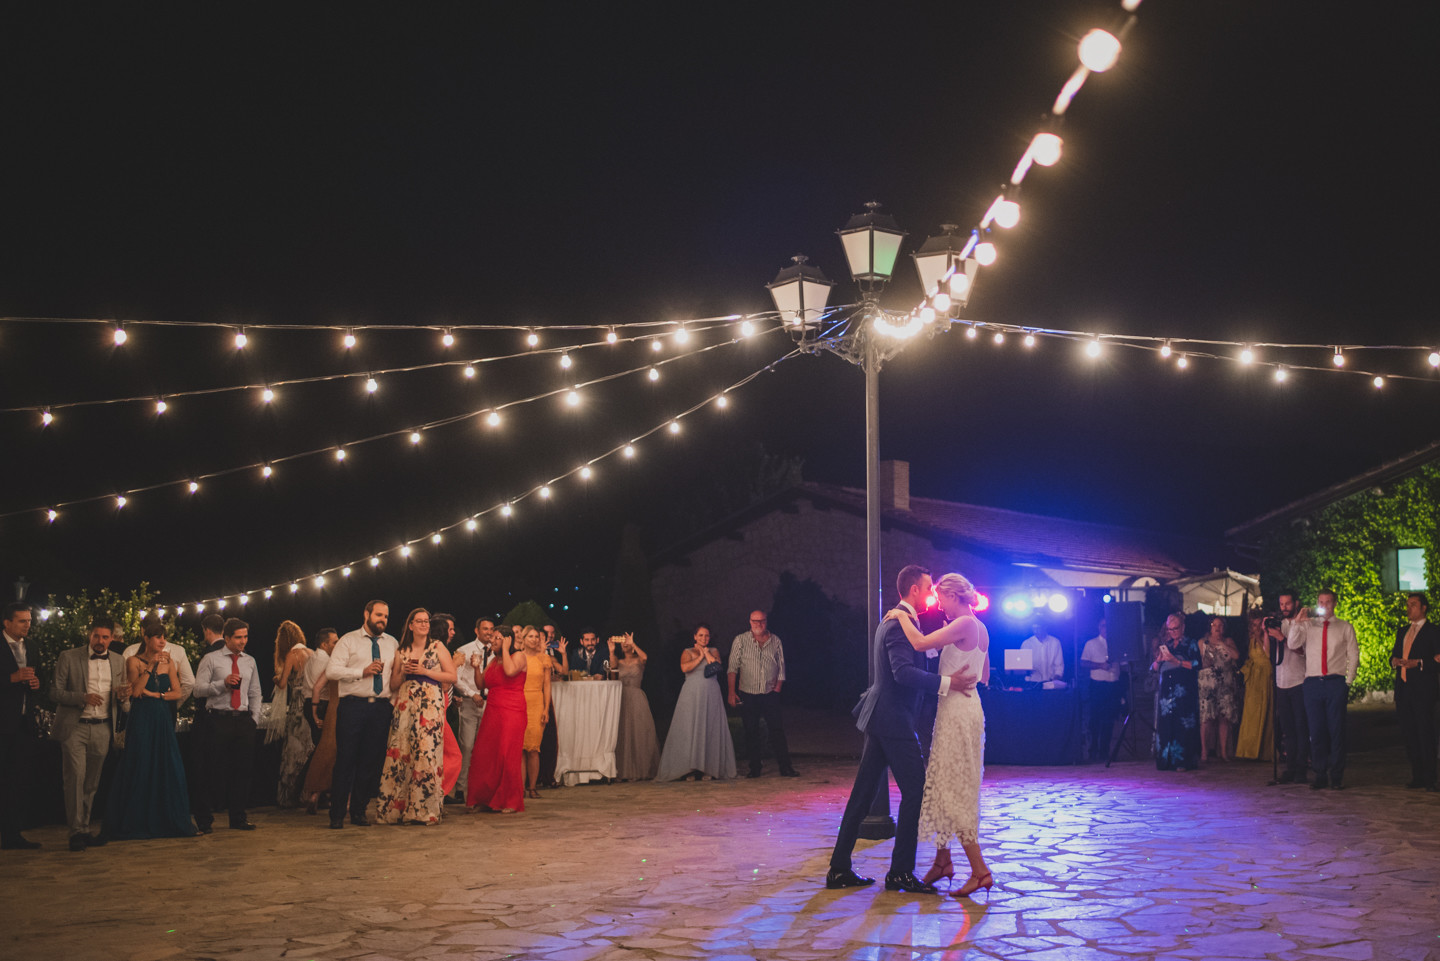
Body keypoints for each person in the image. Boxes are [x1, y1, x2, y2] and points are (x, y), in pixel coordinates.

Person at [827, 565, 978, 894]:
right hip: (893, 719)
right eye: (927, 589)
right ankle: (900, 872)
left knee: (863, 795)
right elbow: (903, 674)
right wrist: (948, 683)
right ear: (914, 591)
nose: (932, 595)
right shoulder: (898, 624)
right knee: (916, 792)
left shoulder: (900, 620)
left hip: (883, 717)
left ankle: (839, 868)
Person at [886, 572, 994, 898]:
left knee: (955, 787)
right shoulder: (980, 628)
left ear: (953, 596)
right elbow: (984, 675)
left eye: (941, 598)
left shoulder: (963, 623)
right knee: (945, 783)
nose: (939, 605)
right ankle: (943, 861)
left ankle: (980, 870)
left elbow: (919, 643)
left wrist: (900, 616)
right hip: (966, 707)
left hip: (958, 712)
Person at [104, 618, 196, 839]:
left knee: (167, 763)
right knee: (141, 762)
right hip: (142, 719)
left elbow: (178, 692)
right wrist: (152, 666)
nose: (163, 641)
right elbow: (135, 692)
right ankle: (136, 820)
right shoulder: (134, 661)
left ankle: (167, 818)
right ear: (146, 639)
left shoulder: (170, 663)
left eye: (164, 637)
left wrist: (157, 695)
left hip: (162, 717)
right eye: (158, 637)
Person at [50, 616, 128, 850]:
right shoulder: (69, 656)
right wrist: (81, 698)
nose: (100, 641)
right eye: (96, 636)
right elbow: (54, 692)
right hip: (75, 726)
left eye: (105, 637)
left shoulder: (118, 660)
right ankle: (75, 832)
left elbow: (122, 698)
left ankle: (84, 828)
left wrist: (124, 696)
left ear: (112, 639)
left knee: (91, 783)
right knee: (75, 777)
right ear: (89, 635)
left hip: (104, 727)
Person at [376, 609, 457, 825]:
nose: (423, 625)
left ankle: (423, 811)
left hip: (430, 705)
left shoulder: (437, 647)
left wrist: (425, 671)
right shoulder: (401, 650)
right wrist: (403, 671)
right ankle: (396, 809)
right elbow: (393, 684)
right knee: (401, 753)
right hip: (405, 704)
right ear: (410, 625)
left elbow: (452, 676)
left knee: (426, 752)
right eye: (419, 621)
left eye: (426, 621)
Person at [326, 600, 398, 829]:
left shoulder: (392, 643)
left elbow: (395, 677)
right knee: (346, 760)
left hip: (380, 707)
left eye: (385, 616)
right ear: (366, 614)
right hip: (353, 706)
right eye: (378, 615)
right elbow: (332, 671)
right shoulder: (348, 640)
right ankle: (337, 814)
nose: (382, 620)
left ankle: (358, 811)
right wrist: (362, 672)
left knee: (370, 762)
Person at [192, 617, 263, 832]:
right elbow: (197, 690)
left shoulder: (249, 661)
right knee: (211, 771)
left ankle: (238, 817)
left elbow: (255, 691)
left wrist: (254, 719)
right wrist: (221, 684)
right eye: (238, 637)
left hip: (242, 721)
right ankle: (205, 820)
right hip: (218, 719)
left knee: (242, 771)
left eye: (245, 637)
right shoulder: (211, 659)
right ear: (226, 637)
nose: (243, 641)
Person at [1286, 589, 1358, 790]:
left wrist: (1347, 682)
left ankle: (1336, 775)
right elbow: (1292, 643)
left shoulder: (1345, 627)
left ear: (1335, 603)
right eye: (1320, 601)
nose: (1324, 605)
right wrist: (1297, 623)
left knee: (1336, 730)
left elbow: (1353, 654)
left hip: (1335, 682)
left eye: (1328, 602)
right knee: (1316, 730)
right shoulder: (1309, 625)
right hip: (1312, 683)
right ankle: (1319, 773)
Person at [657, 625, 737, 781]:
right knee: (689, 727)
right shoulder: (687, 652)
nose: (704, 638)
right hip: (691, 694)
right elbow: (685, 668)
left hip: (711, 693)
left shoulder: (713, 651)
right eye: (700, 635)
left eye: (706, 636)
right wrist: (700, 656)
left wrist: (706, 653)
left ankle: (709, 768)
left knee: (710, 726)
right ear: (695, 637)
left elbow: (716, 667)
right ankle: (690, 769)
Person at [466, 625, 528, 813]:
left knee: (506, 755)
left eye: (498, 638)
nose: (492, 640)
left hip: (512, 710)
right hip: (492, 710)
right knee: (485, 754)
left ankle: (509, 801)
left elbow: (510, 672)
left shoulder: (518, 656)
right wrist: (476, 668)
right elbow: (481, 684)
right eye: (492, 637)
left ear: (508, 640)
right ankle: (485, 798)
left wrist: (507, 649)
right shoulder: (494, 661)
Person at [728, 610, 797, 778]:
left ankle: (785, 767)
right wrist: (731, 692)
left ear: (766, 621)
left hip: (769, 692)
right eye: (755, 621)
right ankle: (755, 768)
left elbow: (781, 666)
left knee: (776, 730)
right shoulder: (741, 640)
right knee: (751, 730)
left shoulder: (775, 641)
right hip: (748, 692)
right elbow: (732, 667)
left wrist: (778, 688)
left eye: (762, 621)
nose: (758, 624)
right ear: (750, 622)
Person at [2, 602, 42, 849]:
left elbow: (41, 680)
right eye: (22, 621)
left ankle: (11, 834)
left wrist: (37, 683)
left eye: (29, 620)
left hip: (23, 724)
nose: (28, 625)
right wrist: (12, 678)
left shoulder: (33, 647)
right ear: (6, 623)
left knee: (16, 781)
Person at [1391, 593, 1439, 790]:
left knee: (1425, 733)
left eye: (1413, 605)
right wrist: (1394, 661)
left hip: (1423, 690)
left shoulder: (1433, 631)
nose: (1409, 608)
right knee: (1409, 734)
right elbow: (1395, 653)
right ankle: (1417, 775)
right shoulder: (1402, 631)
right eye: (1408, 605)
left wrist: (1418, 663)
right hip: (1404, 689)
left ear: (1424, 607)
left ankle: (1430, 778)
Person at [1264, 589, 1309, 783]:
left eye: (1288, 604)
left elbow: (1303, 651)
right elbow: (1268, 654)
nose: (1284, 608)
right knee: (1288, 729)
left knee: (1301, 728)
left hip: (1299, 681)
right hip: (1281, 681)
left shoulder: (1304, 624)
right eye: (1281, 604)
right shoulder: (1278, 623)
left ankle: (1301, 769)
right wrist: (1267, 633)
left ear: (1296, 603)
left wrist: (1282, 637)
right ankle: (1290, 767)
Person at [450, 618, 495, 799]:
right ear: (477, 631)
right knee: (467, 745)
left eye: (491, 629)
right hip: (470, 702)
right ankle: (461, 788)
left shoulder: (496, 652)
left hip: (490, 703)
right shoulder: (465, 650)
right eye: (485, 629)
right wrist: (471, 693)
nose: (489, 632)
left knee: (485, 748)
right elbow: (456, 678)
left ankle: (481, 787)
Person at [1152, 613, 1201, 771]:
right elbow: (1153, 668)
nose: (1172, 632)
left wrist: (1177, 661)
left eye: (1175, 629)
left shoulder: (1190, 644)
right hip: (1167, 691)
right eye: (1170, 629)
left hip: (1184, 691)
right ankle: (1166, 760)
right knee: (1167, 724)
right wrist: (1158, 660)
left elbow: (1196, 664)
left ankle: (1183, 761)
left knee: (1183, 724)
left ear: (1183, 627)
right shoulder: (1166, 644)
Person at [273, 620, 314, 807]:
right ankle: (308, 792)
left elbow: (282, 684)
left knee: (292, 750)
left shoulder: (292, 654)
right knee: (307, 749)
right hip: (310, 702)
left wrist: (277, 678)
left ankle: (290, 796)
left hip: (297, 705)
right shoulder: (311, 653)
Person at [610, 633, 659, 780]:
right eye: (623, 643)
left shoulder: (639, 660)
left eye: (627, 642)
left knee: (639, 732)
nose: (625, 644)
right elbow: (613, 672)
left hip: (637, 697)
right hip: (622, 697)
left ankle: (641, 769)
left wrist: (634, 643)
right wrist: (611, 651)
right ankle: (624, 770)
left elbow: (645, 658)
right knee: (623, 733)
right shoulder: (619, 661)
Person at [1197, 617, 1241, 762]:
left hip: (1225, 683)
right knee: (1206, 718)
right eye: (1214, 625)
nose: (1217, 628)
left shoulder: (1228, 642)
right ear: (1210, 627)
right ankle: (1204, 750)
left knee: (1224, 717)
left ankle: (1223, 751)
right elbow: (1200, 662)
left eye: (1220, 625)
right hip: (1208, 683)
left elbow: (1236, 656)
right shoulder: (1203, 642)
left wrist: (1222, 644)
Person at [519, 627, 554, 799]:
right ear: (523, 639)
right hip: (519, 702)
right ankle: (520, 788)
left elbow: (547, 685)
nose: (533, 639)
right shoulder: (518, 657)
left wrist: (546, 708)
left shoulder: (544, 659)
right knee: (520, 749)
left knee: (533, 748)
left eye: (536, 637)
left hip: (536, 702)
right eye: (530, 637)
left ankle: (532, 787)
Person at [1079, 617, 1121, 762]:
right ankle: (1093, 750)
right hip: (1097, 685)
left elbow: (1124, 662)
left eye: (1108, 626)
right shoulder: (1091, 644)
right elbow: (1083, 662)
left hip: (1113, 685)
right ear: (1099, 627)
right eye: (1103, 626)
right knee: (1095, 719)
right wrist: (1100, 665)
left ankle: (1105, 751)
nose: (1106, 629)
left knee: (1109, 720)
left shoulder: (1117, 644)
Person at [1235, 611, 1274, 761]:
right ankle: (1248, 750)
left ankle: (1263, 751)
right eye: (1254, 625)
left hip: (1265, 675)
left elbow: (1268, 654)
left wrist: (1261, 634)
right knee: (1250, 712)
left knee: (1264, 710)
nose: (1256, 627)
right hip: (1253, 678)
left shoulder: (1266, 636)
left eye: (1259, 624)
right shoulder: (1250, 639)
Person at [301, 628, 339, 743]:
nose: (338, 646)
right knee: (323, 745)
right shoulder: (327, 661)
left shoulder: (312, 657)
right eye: (335, 642)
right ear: (324, 644)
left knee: (318, 743)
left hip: (309, 702)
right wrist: (315, 712)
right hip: (319, 704)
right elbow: (317, 688)